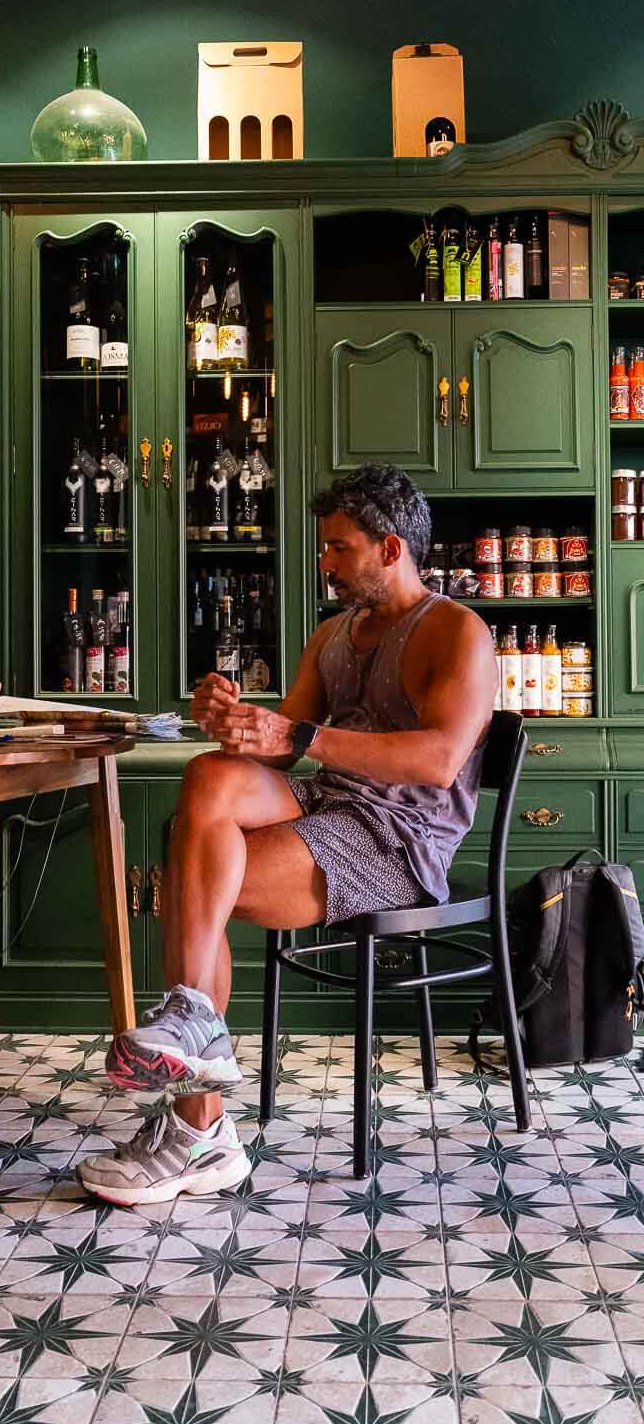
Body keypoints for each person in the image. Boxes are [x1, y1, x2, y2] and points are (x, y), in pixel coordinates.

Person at [78, 462, 495, 1205]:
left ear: (390, 548)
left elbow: (438, 761)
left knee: (193, 871)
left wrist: (298, 731)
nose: (325, 562)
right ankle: (194, 1025)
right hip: (323, 802)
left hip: (396, 839)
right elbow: (280, 744)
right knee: (209, 775)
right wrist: (231, 718)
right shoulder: (333, 634)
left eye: (339, 548)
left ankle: (199, 1126)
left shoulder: (457, 631)